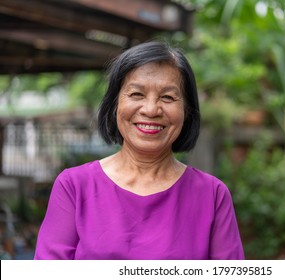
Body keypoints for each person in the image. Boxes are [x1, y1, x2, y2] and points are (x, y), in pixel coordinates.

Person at [34, 41, 244, 260]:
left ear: (187, 110)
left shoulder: (212, 195)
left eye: (168, 97)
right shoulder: (74, 186)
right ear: (115, 104)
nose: (151, 109)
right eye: (136, 94)